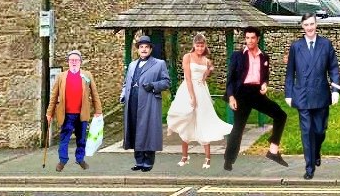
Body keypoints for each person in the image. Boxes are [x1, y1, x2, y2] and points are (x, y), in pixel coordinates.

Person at [224, 27, 289, 171]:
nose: (249, 41)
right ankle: (228, 160)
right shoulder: (237, 56)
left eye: (252, 38)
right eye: (247, 38)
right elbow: (230, 79)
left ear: (258, 39)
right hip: (241, 94)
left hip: (257, 93)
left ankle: (273, 150)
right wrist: (231, 97)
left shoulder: (264, 57)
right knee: (238, 128)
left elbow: (265, 76)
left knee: (281, 115)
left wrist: (265, 84)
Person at [285, 13, 340, 180]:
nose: (309, 27)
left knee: (319, 130)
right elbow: (290, 73)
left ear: (316, 25)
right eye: (306, 25)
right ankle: (309, 167)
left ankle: (316, 151)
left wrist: (336, 90)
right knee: (306, 131)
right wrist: (288, 93)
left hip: (321, 94)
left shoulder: (326, 44)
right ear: (302, 27)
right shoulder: (296, 47)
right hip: (302, 95)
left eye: (312, 24)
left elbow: (334, 68)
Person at [167, 33, 233, 169]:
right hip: (188, 89)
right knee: (185, 118)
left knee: (203, 120)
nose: (200, 48)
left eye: (202, 46)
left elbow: (208, 71)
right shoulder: (187, 57)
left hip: (202, 90)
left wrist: (206, 74)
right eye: (197, 45)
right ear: (194, 45)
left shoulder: (206, 60)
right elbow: (188, 78)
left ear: (205, 46)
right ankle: (184, 156)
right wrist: (192, 96)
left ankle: (208, 157)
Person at [120, 36, 171, 172]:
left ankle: (148, 161)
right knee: (135, 130)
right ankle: (139, 160)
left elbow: (166, 82)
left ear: (150, 49)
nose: (144, 49)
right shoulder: (132, 65)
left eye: (146, 47)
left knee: (148, 131)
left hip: (149, 102)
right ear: (138, 50)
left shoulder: (159, 64)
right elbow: (126, 83)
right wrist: (123, 95)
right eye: (141, 47)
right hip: (133, 102)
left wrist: (154, 85)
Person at [46, 50, 103, 172]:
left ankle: (80, 158)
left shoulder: (87, 75)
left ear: (80, 62)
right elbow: (54, 96)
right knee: (64, 138)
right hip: (66, 114)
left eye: (76, 60)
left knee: (81, 138)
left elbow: (94, 93)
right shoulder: (61, 76)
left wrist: (98, 110)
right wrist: (49, 113)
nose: (74, 62)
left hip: (82, 113)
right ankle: (62, 160)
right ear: (68, 62)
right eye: (71, 60)